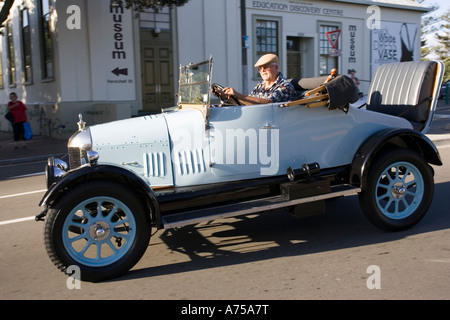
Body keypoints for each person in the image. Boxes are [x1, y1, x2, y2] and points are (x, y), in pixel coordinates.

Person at [213, 54, 299, 105]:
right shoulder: (260, 85)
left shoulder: (284, 86)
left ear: (275, 67)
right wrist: (226, 97)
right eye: (259, 69)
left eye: (265, 67)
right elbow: (247, 103)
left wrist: (237, 94)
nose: (262, 71)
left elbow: (267, 103)